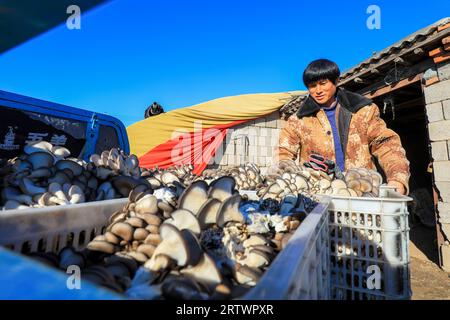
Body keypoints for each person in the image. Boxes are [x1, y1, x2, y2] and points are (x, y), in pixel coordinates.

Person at [274, 59, 410, 195]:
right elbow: (283, 153)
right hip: (318, 193)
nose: (318, 90)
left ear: (336, 81)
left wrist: (397, 178)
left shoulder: (362, 111)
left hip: (362, 191)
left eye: (323, 83)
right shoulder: (298, 120)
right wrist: (287, 181)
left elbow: (386, 144)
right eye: (312, 86)